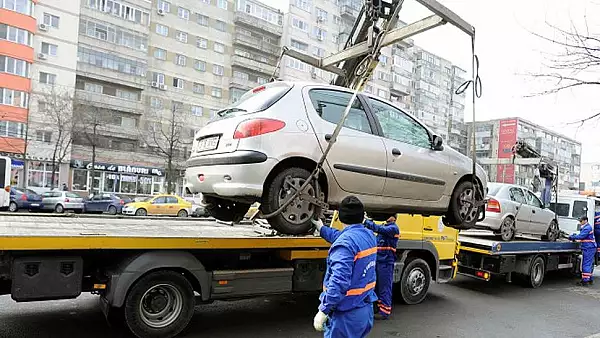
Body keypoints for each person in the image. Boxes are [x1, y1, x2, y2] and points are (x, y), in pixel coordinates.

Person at [312, 196, 378, 338]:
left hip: (345, 315)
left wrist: (324, 310)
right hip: (364, 311)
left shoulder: (345, 244)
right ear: (361, 217)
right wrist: (322, 228)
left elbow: (339, 281)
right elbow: (341, 236)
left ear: (340, 218)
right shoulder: (369, 236)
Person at [363, 215, 400, 320]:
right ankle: (379, 307)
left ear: (394, 217)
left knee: (385, 287)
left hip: (386, 262)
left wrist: (367, 221)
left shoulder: (393, 228)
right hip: (379, 261)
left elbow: (379, 229)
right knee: (378, 287)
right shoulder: (386, 227)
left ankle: (384, 312)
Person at [569, 216, 597, 286]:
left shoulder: (587, 228)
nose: (580, 222)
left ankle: (585, 281)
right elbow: (582, 236)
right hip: (590, 247)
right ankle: (589, 279)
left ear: (585, 221)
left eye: (581, 221)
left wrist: (572, 237)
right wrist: (575, 235)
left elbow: (581, 236)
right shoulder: (587, 227)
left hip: (588, 248)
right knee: (589, 264)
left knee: (586, 264)